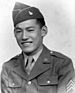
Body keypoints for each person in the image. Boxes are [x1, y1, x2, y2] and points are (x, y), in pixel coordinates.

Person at [1, 2, 75, 93]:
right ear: (14, 34)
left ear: (43, 31)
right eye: (19, 31)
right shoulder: (8, 68)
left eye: (30, 30)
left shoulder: (62, 64)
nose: (24, 36)